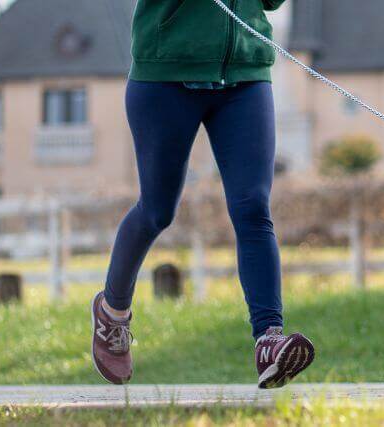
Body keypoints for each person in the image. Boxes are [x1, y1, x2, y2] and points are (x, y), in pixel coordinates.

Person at [90, 0, 314, 388]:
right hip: (166, 73)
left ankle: (268, 340)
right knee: (157, 210)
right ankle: (112, 313)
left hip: (244, 74)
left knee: (253, 207)